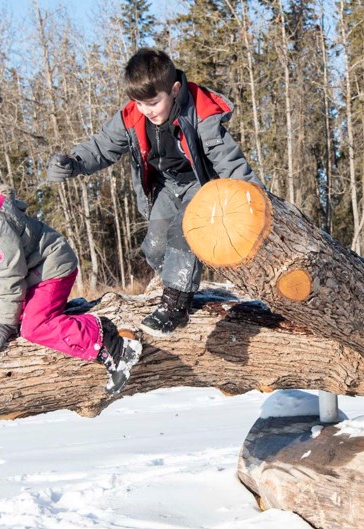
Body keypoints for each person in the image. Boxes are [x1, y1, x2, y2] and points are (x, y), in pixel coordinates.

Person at [47, 47, 263, 336]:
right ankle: (181, 289)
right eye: (138, 103)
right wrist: (73, 163)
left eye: (152, 102)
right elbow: (100, 148)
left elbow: (228, 159)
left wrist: (253, 198)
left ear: (174, 90)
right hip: (164, 185)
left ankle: (175, 305)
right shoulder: (131, 117)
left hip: (201, 186)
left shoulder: (200, 112)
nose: (146, 110)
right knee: (154, 247)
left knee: (183, 234)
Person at [0, 178, 142, 395]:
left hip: (50, 268)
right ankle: (70, 313)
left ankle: (113, 344)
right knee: (11, 320)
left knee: (34, 328)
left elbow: (10, 279)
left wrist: (2, 324)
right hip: (27, 278)